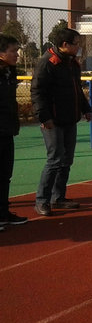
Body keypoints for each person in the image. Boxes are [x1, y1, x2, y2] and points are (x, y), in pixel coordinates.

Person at [31, 27, 92, 216]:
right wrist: (44, 116)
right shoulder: (48, 63)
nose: (78, 47)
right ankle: (42, 200)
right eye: (76, 44)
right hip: (53, 120)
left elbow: (76, 89)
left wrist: (86, 108)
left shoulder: (72, 63)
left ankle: (58, 197)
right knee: (55, 159)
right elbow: (37, 92)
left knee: (66, 160)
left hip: (69, 118)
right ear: (64, 44)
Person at [0, 34, 26, 228]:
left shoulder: (9, 72)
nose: (17, 54)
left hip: (6, 129)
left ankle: (3, 212)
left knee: (5, 174)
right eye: (13, 51)